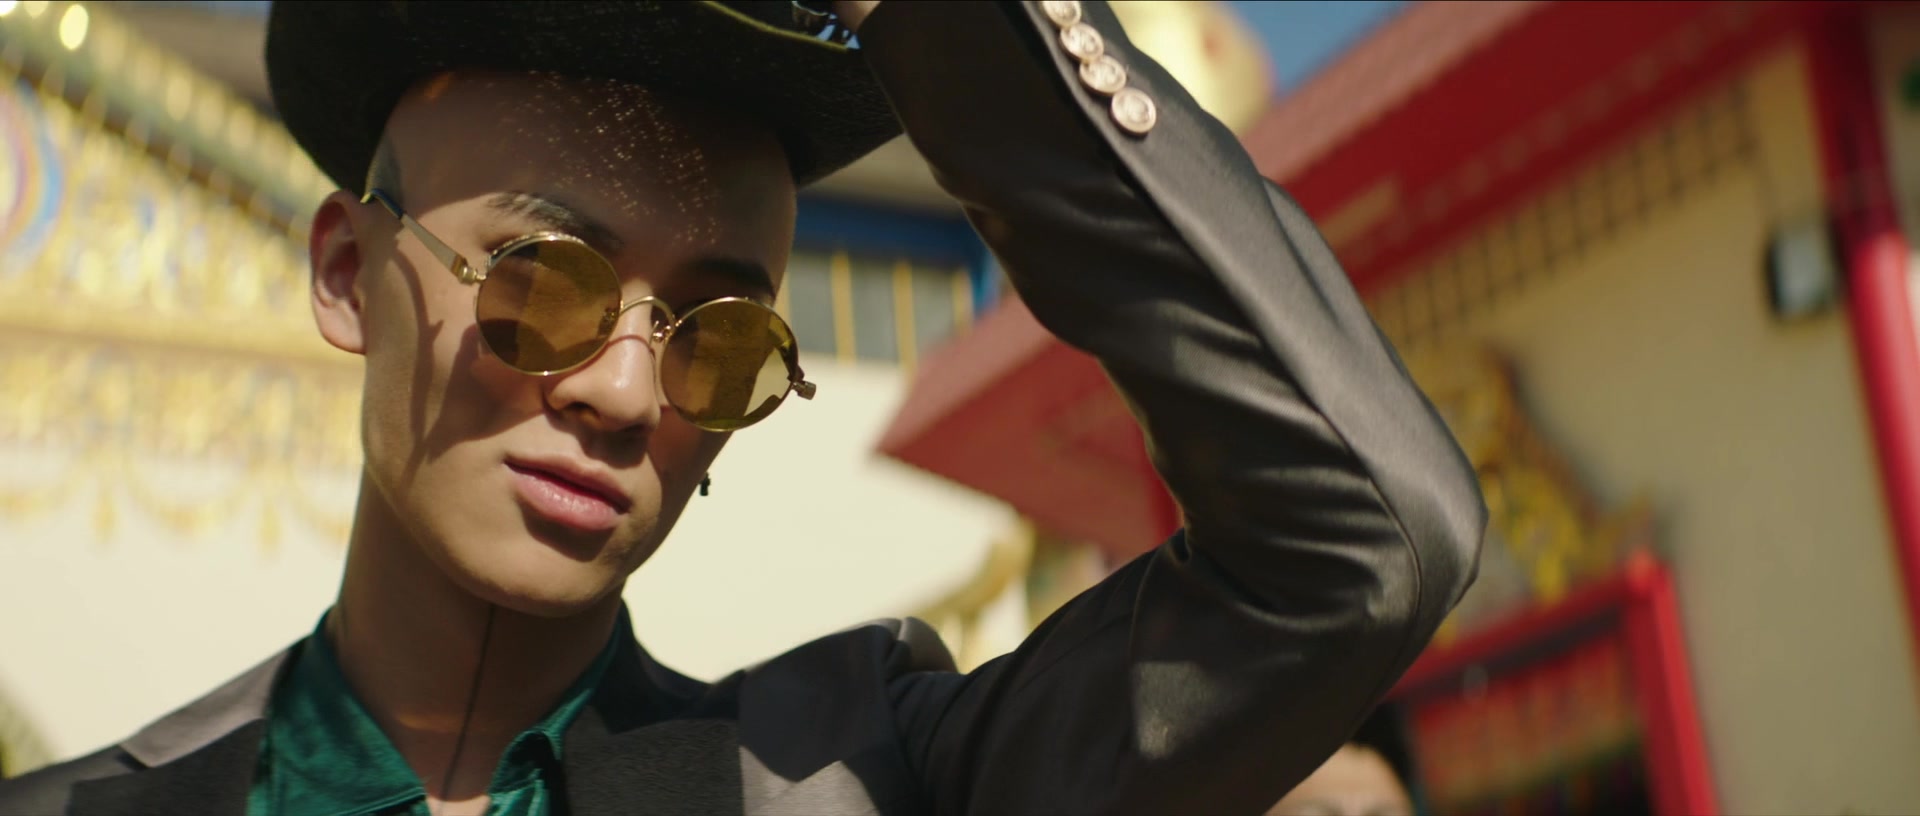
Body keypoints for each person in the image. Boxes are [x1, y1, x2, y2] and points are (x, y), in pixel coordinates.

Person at [0, 1, 1485, 814]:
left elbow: (1363, 546)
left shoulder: (859, 786)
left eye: (717, 343)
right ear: (346, 274)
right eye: (543, 284)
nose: (623, 392)